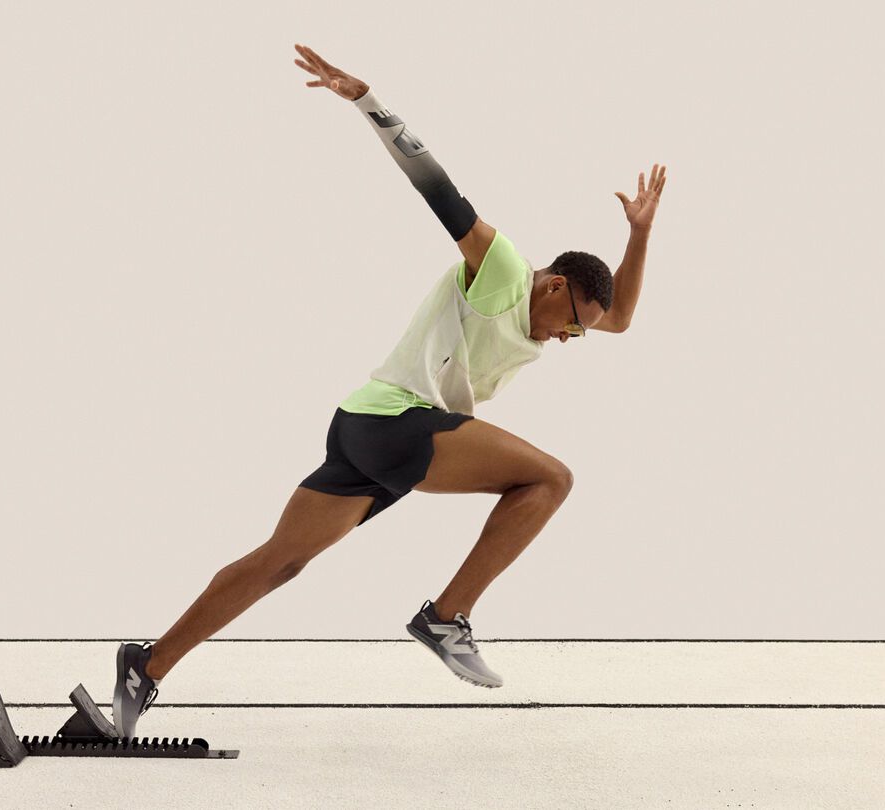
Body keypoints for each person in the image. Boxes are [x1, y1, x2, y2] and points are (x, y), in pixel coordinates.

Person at [112, 43, 666, 738]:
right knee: (550, 479)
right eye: (571, 324)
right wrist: (370, 103)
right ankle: (445, 617)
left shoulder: (564, 312)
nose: (570, 338)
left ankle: (148, 664)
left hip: (364, 429)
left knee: (279, 562)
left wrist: (639, 235)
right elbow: (440, 191)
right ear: (554, 285)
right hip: (400, 422)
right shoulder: (504, 272)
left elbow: (620, 319)